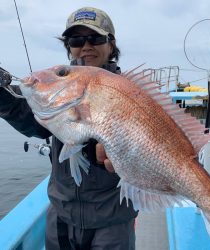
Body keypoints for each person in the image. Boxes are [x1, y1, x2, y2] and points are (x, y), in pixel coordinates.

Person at [0, 7, 138, 250]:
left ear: (111, 44)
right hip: (61, 216)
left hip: (112, 221)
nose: (85, 46)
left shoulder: (129, 92)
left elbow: (138, 144)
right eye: (76, 40)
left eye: (95, 38)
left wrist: (96, 149)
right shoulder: (59, 88)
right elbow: (32, 120)